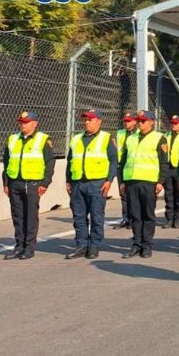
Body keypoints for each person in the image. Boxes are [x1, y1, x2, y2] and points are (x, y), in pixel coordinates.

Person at [64, 110, 116, 260]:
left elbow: (113, 160)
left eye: (90, 120)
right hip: (78, 182)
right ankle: (81, 244)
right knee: (79, 216)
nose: (86, 122)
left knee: (96, 215)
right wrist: (68, 180)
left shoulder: (106, 138)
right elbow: (70, 161)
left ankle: (94, 245)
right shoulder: (76, 139)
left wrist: (109, 180)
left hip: (97, 183)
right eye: (85, 120)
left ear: (99, 121)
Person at [2, 111, 54, 260]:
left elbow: (50, 163)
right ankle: (19, 246)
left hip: (32, 183)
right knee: (17, 216)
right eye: (21, 122)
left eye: (26, 122)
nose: (23, 125)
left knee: (30, 216)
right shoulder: (12, 139)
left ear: (35, 124)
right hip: (15, 182)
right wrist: (6, 182)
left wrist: (45, 183)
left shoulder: (43, 140)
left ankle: (29, 247)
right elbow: (6, 162)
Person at [119, 110, 169, 259]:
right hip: (132, 181)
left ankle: (147, 245)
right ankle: (136, 243)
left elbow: (164, 162)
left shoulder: (159, 138)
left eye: (143, 121)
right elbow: (123, 161)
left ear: (151, 122)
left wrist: (161, 181)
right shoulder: (131, 138)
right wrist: (122, 181)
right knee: (135, 215)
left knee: (147, 214)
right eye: (138, 121)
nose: (140, 123)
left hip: (149, 182)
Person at [113, 112, 137, 229]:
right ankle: (125, 218)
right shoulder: (120, 133)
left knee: (132, 194)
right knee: (123, 193)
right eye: (125, 121)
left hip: (133, 166)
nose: (126, 123)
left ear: (134, 122)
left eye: (129, 121)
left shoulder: (138, 134)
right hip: (121, 165)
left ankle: (134, 219)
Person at [162, 114, 179, 229]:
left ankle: (178, 218)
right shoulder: (165, 135)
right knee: (169, 194)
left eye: (176, 123)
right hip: (168, 167)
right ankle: (169, 218)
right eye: (172, 123)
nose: (173, 125)